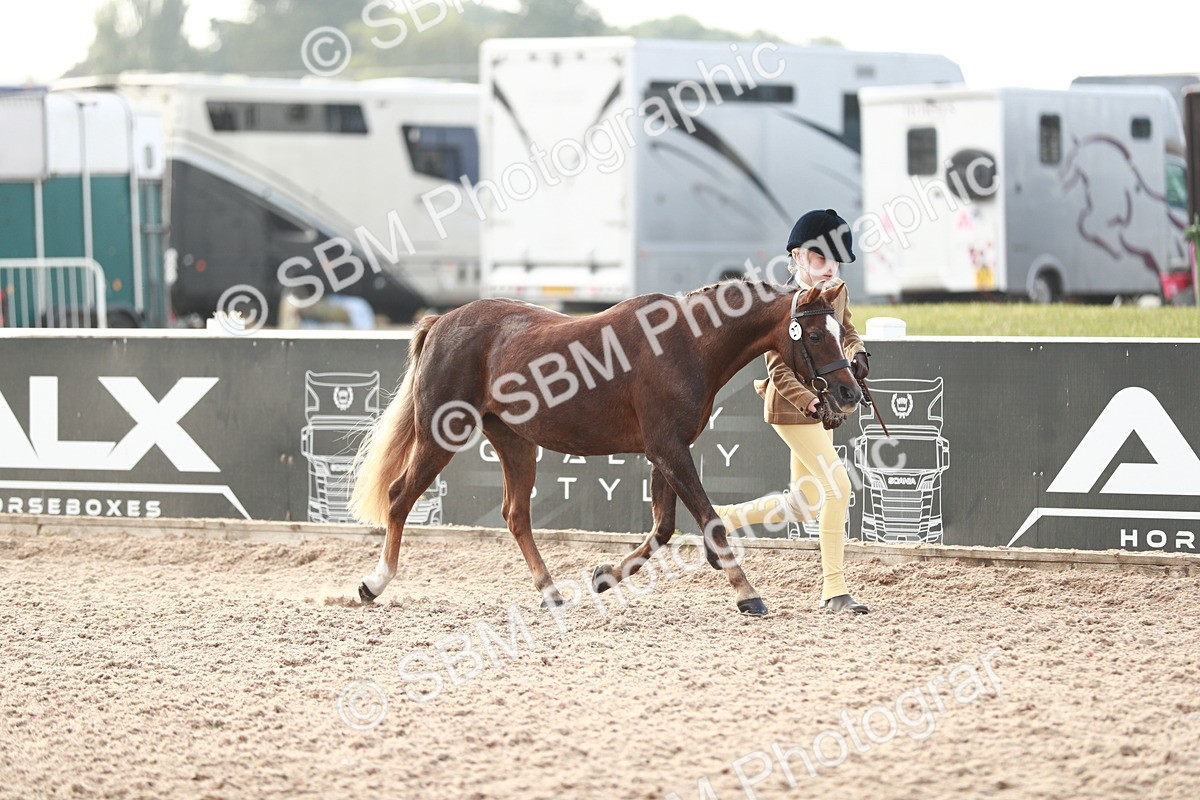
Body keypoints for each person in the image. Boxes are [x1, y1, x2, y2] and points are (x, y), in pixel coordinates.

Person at [713, 209, 871, 614]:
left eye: (836, 260)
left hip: (826, 409)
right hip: (792, 408)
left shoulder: (836, 291)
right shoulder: (782, 303)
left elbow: (846, 331)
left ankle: (723, 520)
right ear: (798, 256)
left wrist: (858, 353)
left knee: (804, 503)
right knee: (839, 488)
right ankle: (834, 589)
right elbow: (778, 368)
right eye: (821, 259)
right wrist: (811, 402)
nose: (830, 268)